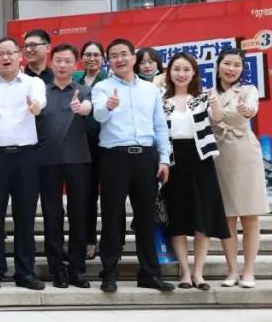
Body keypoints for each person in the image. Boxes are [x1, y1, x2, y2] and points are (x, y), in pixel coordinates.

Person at [91, 38, 174, 293]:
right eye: (114, 56)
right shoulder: (102, 87)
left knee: (146, 218)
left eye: (123, 54)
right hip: (114, 157)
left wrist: (164, 159)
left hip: (146, 158)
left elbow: (160, 126)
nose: (119, 59)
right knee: (112, 216)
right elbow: (98, 115)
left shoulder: (150, 90)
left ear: (133, 57)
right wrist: (108, 106)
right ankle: (109, 272)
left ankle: (150, 273)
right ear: (109, 61)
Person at [0, 37, 47, 291]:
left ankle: (25, 272)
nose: (5, 57)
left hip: (26, 157)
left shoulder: (33, 83)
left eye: (10, 52)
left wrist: (35, 107)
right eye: (0, 53)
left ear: (20, 55)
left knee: (25, 217)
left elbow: (39, 104)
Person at [160, 52, 229, 290]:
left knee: (203, 217)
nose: (181, 74)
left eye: (186, 69)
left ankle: (199, 273)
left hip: (201, 161)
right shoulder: (161, 99)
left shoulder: (202, 97)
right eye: (176, 69)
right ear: (169, 72)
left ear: (194, 73)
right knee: (177, 217)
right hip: (172, 162)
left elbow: (217, 118)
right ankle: (185, 273)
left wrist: (216, 104)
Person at [211, 47, 270, 289]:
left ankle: (248, 271)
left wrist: (245, 111)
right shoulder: (208, 92)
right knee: (227, 218)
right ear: (218, 66)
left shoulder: (247, 90)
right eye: (227, 63)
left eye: (237, 65)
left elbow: (249, 109)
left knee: (250, 216)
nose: (231, 69)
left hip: (245, 154)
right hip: (219, 156)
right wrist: (227, 114)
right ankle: (232, 270)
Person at [35, 44, 93, 288]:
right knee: (52, 215)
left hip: (78, 159)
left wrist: (82, 109)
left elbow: (89, 108)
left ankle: (77, 268)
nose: (62, 65)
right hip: (47, 160)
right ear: (51, 62)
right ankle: (57, 268)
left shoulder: (83, 90)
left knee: (79, 214)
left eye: (68, 61)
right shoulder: (42, 91)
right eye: (58, 60)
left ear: (76, 64)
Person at [73, 40, 108, 260]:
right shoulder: (75, 79)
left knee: (110, 195)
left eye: (96, 55)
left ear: (103, 58)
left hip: (105, 143)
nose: (92, 59)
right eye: (87, 54)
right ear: (81, 58)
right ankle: (88, 239)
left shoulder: (109, 80)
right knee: (87, 194)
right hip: (79, 142)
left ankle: (111, 242)